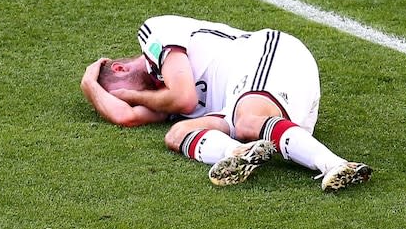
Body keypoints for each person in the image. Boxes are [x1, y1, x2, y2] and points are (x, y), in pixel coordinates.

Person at [80, 15, 373, 191]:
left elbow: (184, 97)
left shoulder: (154, 34)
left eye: (117, 92)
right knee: (177, 134)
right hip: (252, 104)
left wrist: (130, 95)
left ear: (119, 69)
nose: (123, 98)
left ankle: (336, 165)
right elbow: (125, 117)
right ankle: (241, 153)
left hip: (272, 57)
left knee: (246, 121)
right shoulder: (159, 95)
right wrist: (91, 86)